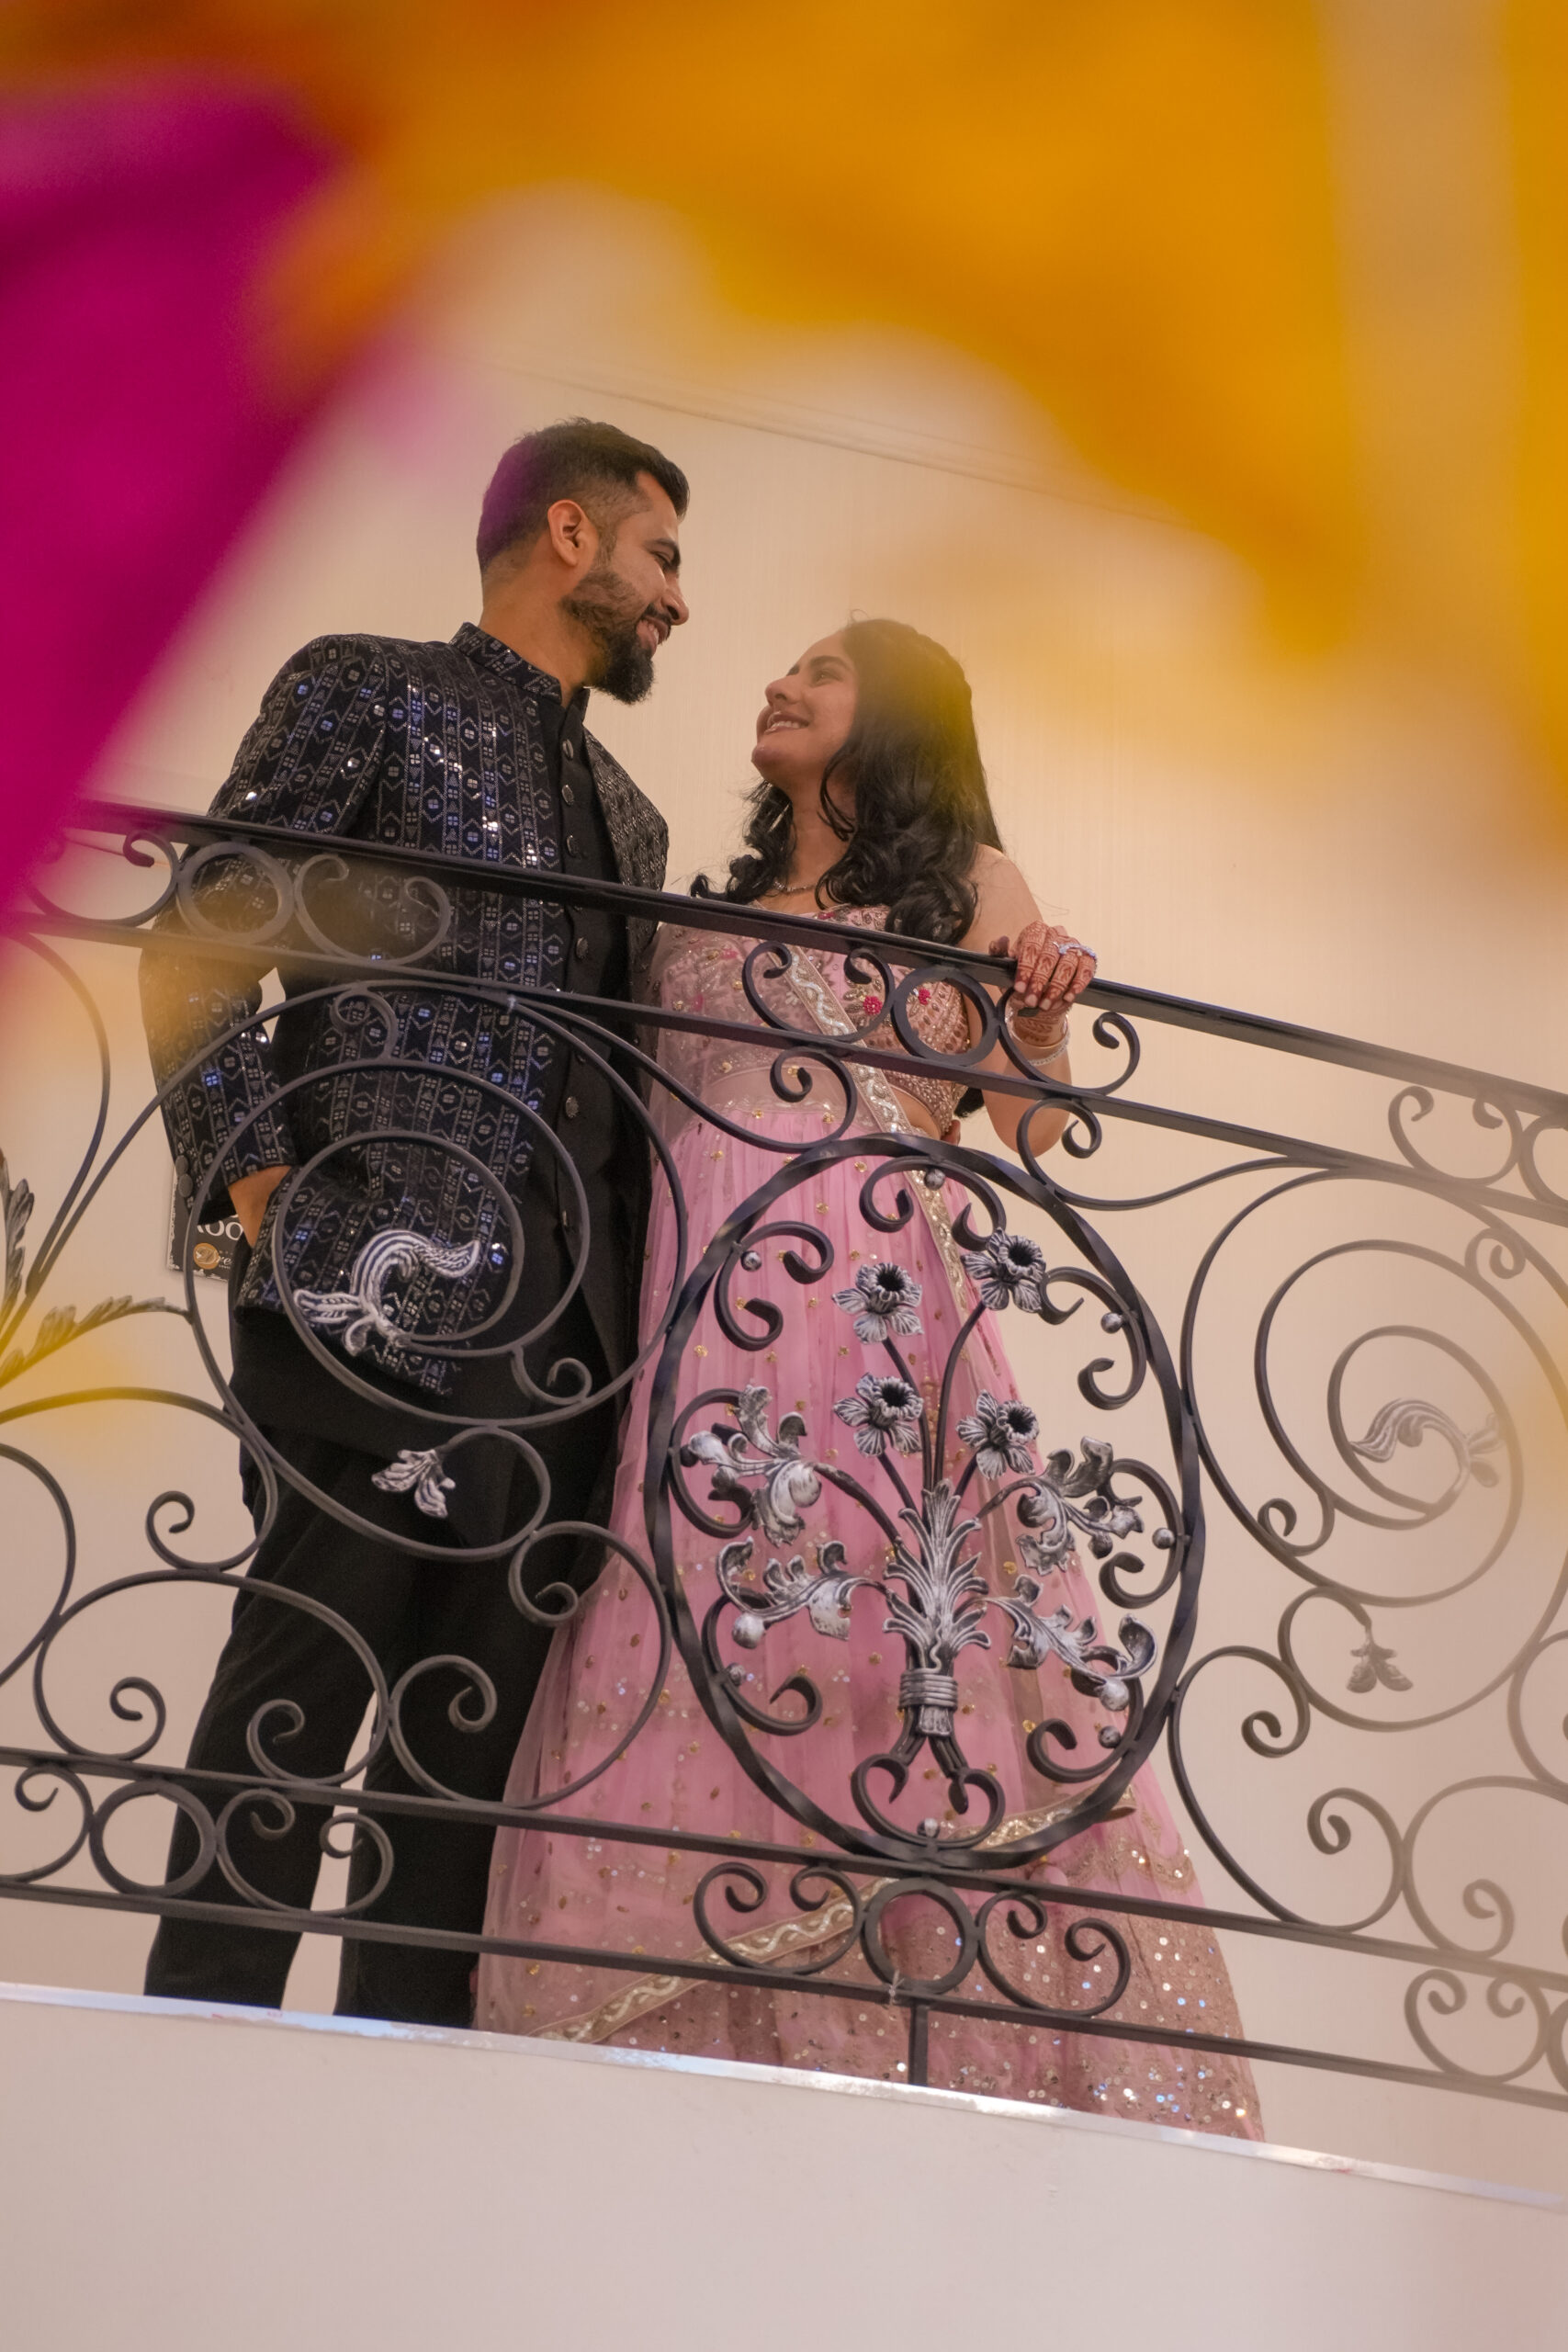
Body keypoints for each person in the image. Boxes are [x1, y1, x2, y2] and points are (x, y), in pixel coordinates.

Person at [477, 619, 1263, 2135]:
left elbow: (1034, 1127)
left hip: (876, 1320)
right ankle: (700, 2063)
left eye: (822, 671)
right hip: (692, 1330)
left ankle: (927, 2047)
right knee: (706, 1636)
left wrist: (1039, 1015)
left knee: (887, 1649)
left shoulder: (968, 884)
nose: (782, 683)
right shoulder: (705, 905)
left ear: (892, 720)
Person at [140, 418, 689, 2026]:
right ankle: (198, 2046)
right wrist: (266, 1195)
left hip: (571, 1350)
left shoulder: (634, 816)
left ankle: (407, 2082)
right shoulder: (366, 686)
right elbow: (195, 942)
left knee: (467, 1760)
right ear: (571, 534)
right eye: (663, 556)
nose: (678, 600)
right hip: (367, 1289)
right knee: (302, 1680)